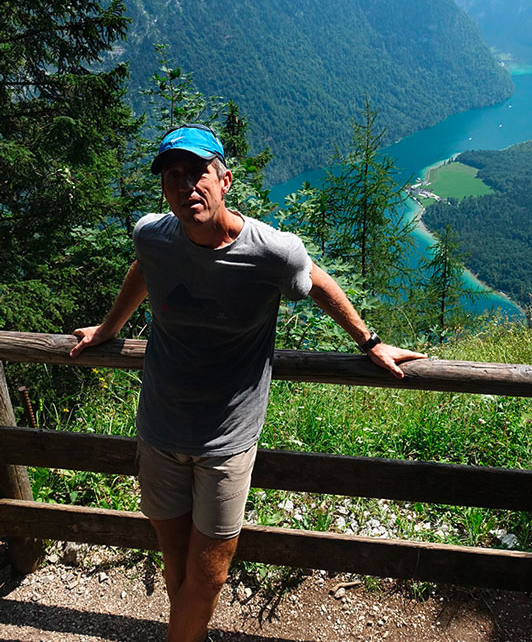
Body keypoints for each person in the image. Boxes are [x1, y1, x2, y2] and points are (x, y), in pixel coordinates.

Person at [70, 123, 424, 642]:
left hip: (227, 441)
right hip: (160, 428)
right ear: (164, 188)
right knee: (176, 565)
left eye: (199, 173)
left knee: (209, 575)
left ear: (225, 180)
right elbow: (143, 267)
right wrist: (109, 328)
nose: (187, 185)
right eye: (174, 176)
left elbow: (317, 279)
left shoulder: (271, 251)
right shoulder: (153, 234)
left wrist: (369, 342)